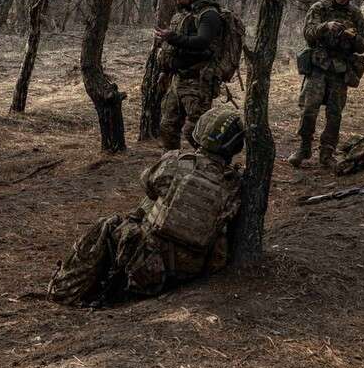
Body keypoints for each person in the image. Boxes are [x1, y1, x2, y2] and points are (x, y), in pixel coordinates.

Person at [48, 107, 246, 306]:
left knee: (107, 225)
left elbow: (148, 184)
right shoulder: (234, 183)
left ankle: (64, 289)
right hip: (189, 271)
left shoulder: (178, 162)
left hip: (146, 263)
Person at [288, 0, 364, 169]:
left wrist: (352, 37)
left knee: (335, 114)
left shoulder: (355, 14)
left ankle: (327, 153)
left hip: (340, 69)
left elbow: (363, 45)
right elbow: (308, 34)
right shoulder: (319, 8)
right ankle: (304, 147)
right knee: (309, 109)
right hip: (318, 66)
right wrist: (326, 27)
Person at [155, 0, 227, 150]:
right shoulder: (186, 14)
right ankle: (170, 165)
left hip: (198, 82)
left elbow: (202, 42)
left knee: (195, 131)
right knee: (167, 126)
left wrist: (172, 38)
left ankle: (213, 166)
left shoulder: (209, 15)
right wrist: (166, 70)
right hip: (178, 79)